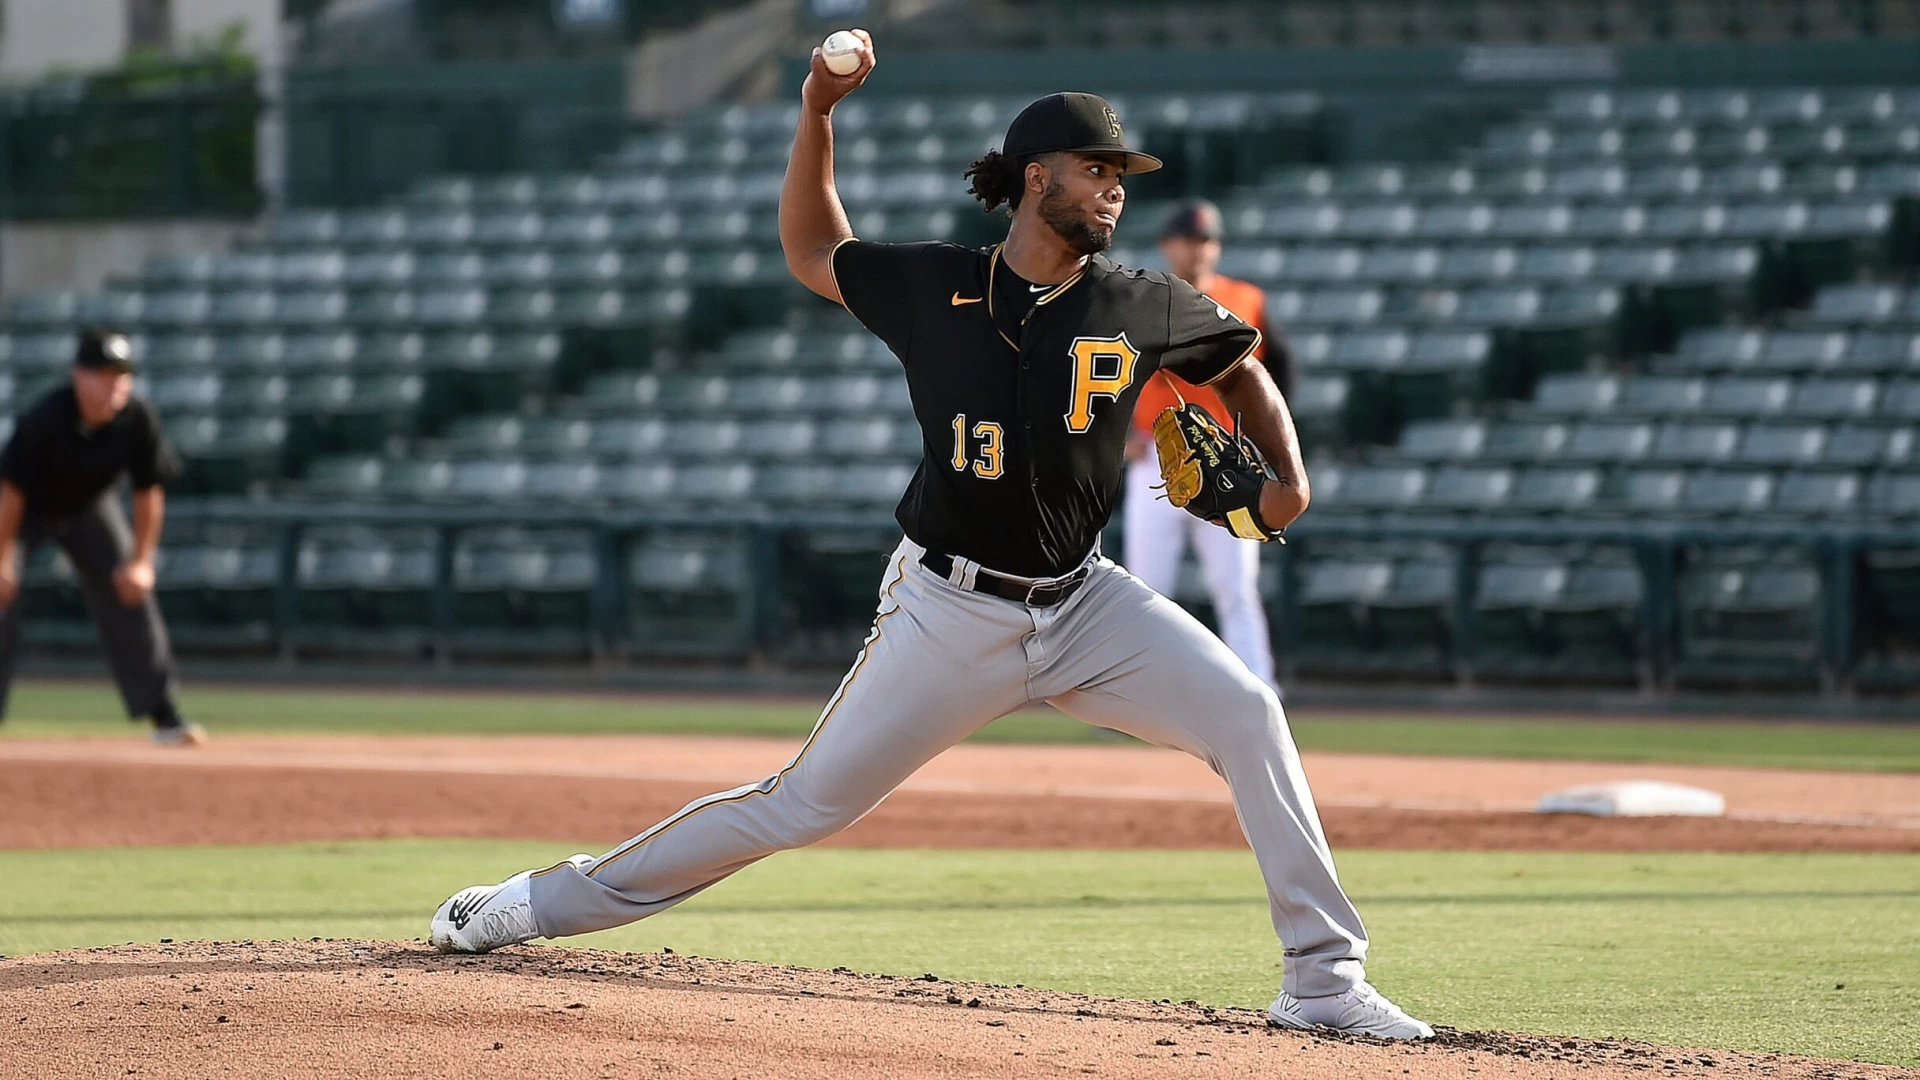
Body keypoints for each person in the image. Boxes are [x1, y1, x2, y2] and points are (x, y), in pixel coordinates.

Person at [430, 33, 1432, 1040]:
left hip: (1085, 603)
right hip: (947, 608)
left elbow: (1243, 366)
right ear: (1037, 179)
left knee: (1249, 712)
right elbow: (812, 250)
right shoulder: (934, 285)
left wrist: (1289, 481)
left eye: (1123, 175)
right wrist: (818, 111)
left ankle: (1323, 982)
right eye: (1098, 171)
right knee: (800, 805)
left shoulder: (1141, 302)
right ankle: (542, 902)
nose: (1116, 190)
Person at [0, 328, 203, 746]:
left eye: (122, 375)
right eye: (104, 374)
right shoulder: (46, 417)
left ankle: (163, 714)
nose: (115, 384)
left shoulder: (136, 418)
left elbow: (149, 494)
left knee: (129, 588)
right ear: (79, 376)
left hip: (89, 507)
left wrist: (142, 561)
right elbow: (11, 493)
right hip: (26, 509)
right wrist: (1, 556)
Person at [1123, 199, 1294, 690]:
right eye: (1188, 240)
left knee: (1236, 591)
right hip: (1157, 461)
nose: (1197, 250)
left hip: (1228, 466)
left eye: (1206, 240)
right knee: (1146, 590)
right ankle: (1139, 693)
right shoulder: (1143, 301)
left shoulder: (1247, 299)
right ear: (1167, 246)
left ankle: (1260, 689)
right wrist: (1122, 440)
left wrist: (1266, 443)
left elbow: (1279, 377)